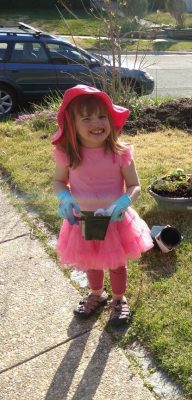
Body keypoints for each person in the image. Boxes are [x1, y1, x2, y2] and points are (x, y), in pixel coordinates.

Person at [52, 84, 154, 326]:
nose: (96, 123)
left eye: (101, 116)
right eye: (86, 118)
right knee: (90, 261)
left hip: (114, 220)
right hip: (82, 220)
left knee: (117, 263)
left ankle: (119, 299)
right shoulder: (68, 153)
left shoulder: (120, 152)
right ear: (72, 125)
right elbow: (58, 181)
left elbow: (134, 185)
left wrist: (124, 201)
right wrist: (65, 198)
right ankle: (96, 294)